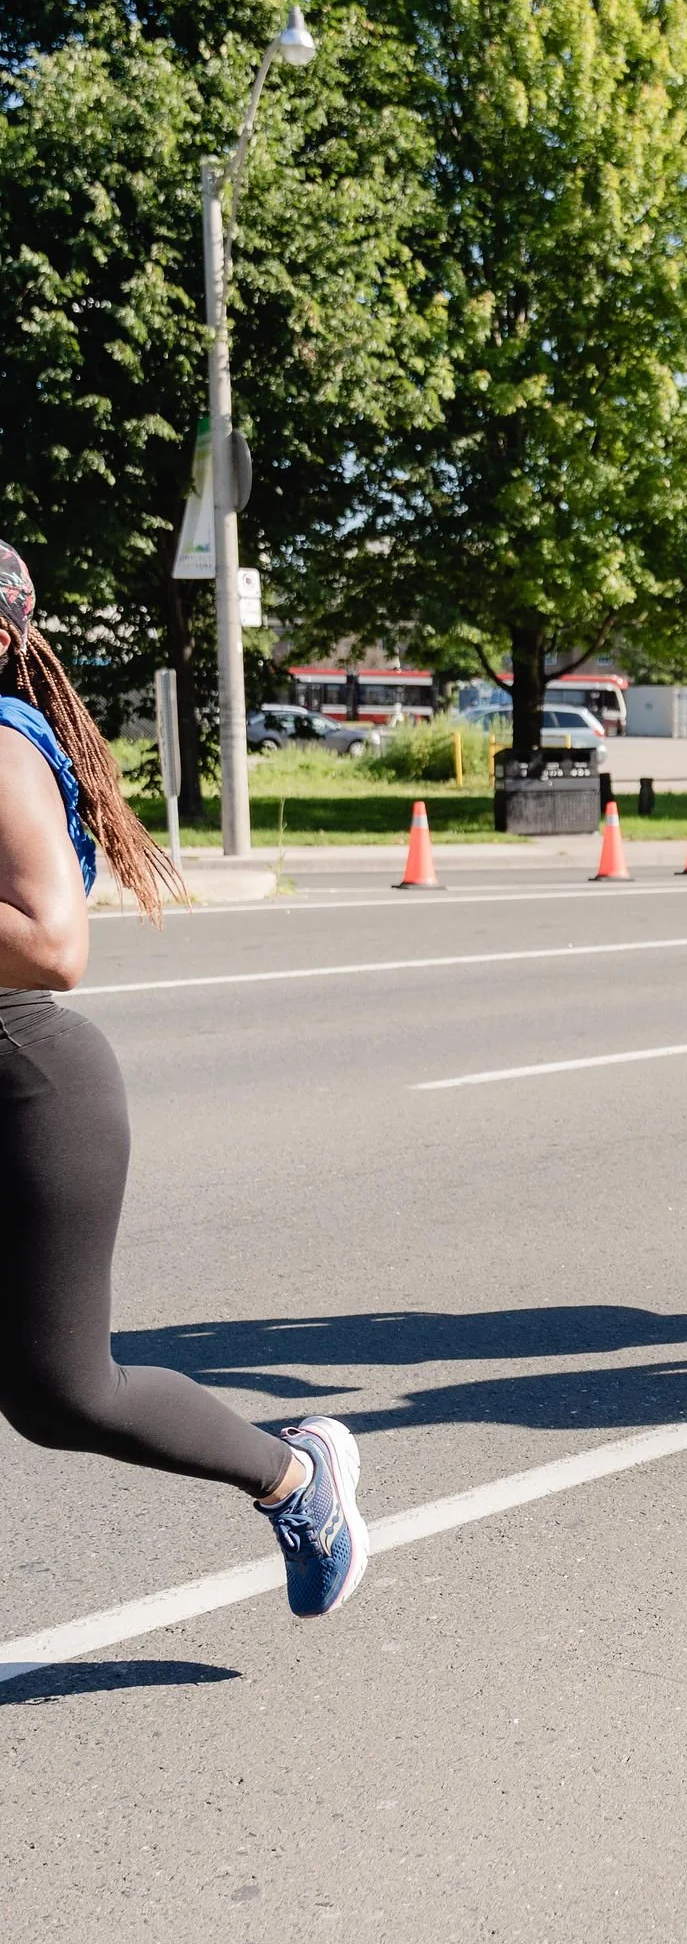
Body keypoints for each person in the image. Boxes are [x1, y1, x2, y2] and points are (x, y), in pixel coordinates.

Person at [0, 547, 366, 1612]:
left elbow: (55, 945)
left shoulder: (2, 748)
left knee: (64, 1396)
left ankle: (296, 1476)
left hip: (25, 1083)